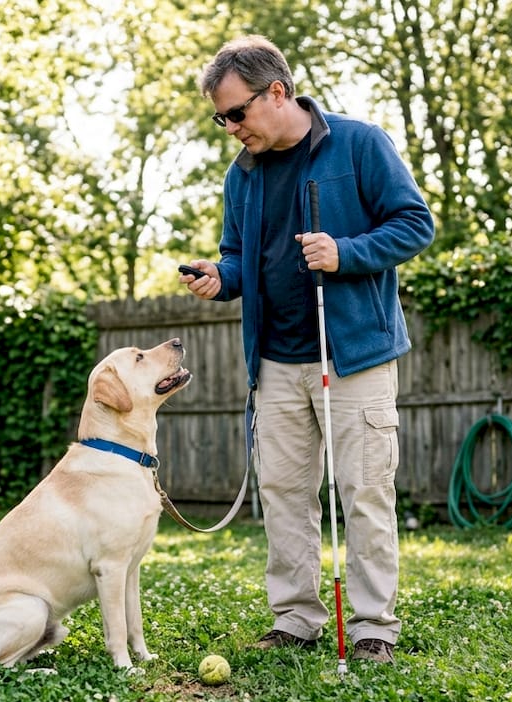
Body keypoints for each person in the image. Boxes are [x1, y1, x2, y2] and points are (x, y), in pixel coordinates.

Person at [181, 35, 434, 665]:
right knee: (285, 495)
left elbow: (414, 223)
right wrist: (222, 278)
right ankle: (295, 617)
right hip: (274, 359)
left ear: (276, 92)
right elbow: (237, 255)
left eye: (236, 112)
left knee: (365, 491)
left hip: (352, 356)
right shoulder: (241, 175)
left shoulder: (359, 144)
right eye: (221, 118)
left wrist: (346, 253)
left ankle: (374, 624)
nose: (230, 128)